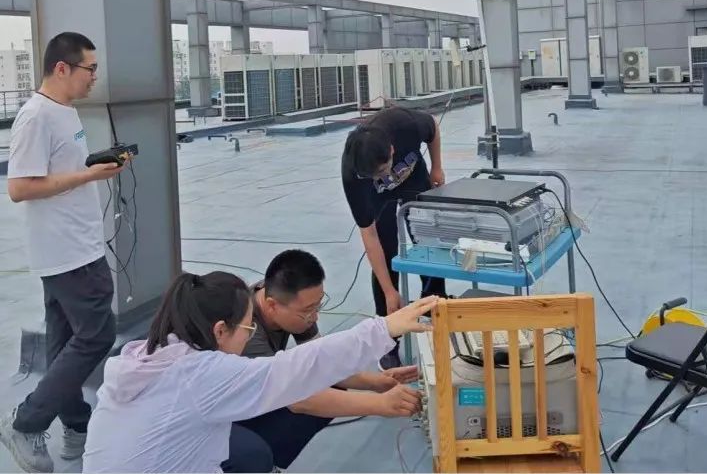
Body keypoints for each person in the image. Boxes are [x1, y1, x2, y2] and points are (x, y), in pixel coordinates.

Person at [81, 271, 435, 473]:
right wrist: (383, 328)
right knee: (257, 448)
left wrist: (373, 381)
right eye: (248, 328)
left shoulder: (151, 354)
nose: (250, 335)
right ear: (220, 330)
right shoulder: (199, 375)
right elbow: (297, 370)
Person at [0, 32, 125, 473]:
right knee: (97, 335)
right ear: (61, 68)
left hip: (73, 245)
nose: (94, 77)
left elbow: (62, 170)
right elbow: (20, 187)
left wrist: (95, 166)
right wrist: (89, 177)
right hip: (69, 252)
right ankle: (26, 422)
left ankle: (76, 424)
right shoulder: (36, 116)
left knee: (63, 342)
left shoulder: (65, 112)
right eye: (90, 69)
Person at [236, 249, 421, 470]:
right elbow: (297, 399)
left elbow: (323, 363)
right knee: (261, 446)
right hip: (228, 416)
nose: (314, 316)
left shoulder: (285, 299)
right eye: (308, 310)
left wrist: (377, 382)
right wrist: (381, 404)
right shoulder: (246, 335)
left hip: (264, 388)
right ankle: (265, 460)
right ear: (272, 305)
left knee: (330, 382)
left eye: (318, 305)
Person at [341, 106, 448, 369]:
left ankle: (434, 306)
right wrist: (390, 291)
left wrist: (437, 167)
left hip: (414, 179)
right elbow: (369, 235)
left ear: (391, 150)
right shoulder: (354, 174)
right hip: (379, 200)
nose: (382, 177)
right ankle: (388, 338)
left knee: (428, 245)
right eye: (374, 176)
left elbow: (433, 128)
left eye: (382, 171)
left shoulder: (405, 125)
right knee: (387, 254)